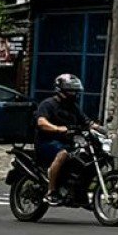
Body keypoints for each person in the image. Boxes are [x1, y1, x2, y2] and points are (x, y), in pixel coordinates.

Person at [34, 74, 89, 204]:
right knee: (63, 153)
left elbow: (87, 122)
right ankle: (51, 191)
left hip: (68, 142)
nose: (74, 94)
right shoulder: (48, 104)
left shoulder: (73, 107)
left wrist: (100, 129)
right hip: (47, 142)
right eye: (71, 90)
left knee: (87, 155)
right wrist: (58, 128)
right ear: (61, 90)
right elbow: (41, 122)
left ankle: (78, 190)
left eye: (76, 91)